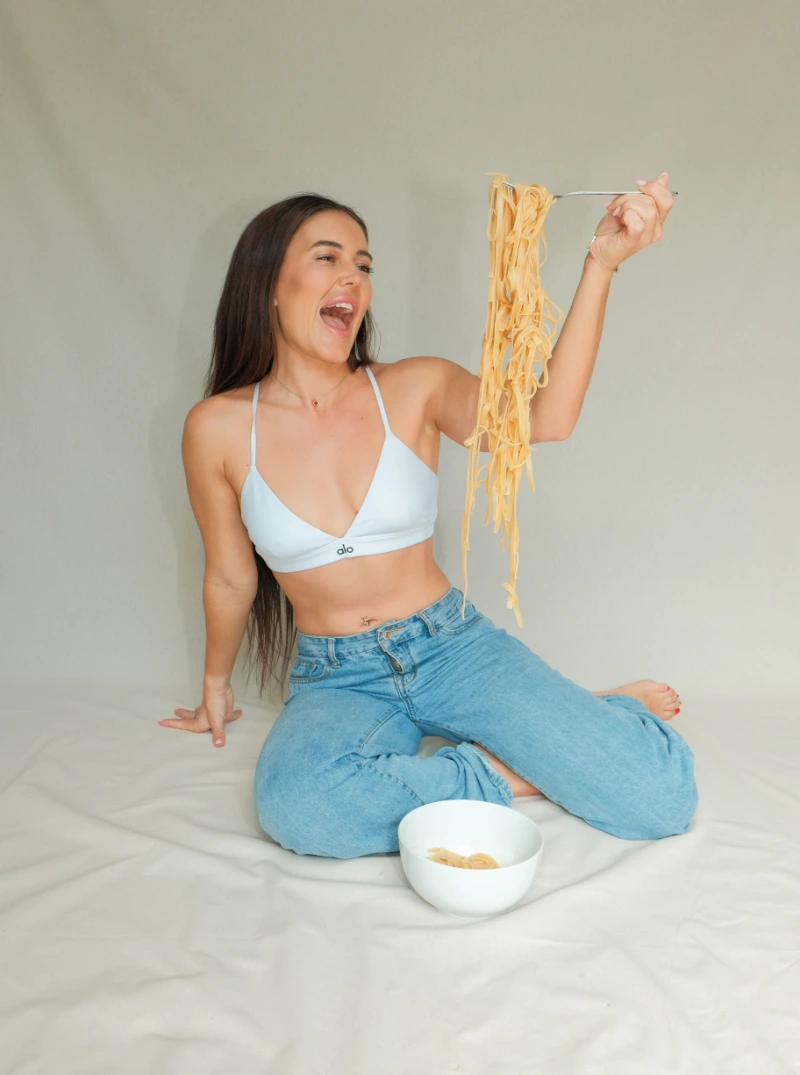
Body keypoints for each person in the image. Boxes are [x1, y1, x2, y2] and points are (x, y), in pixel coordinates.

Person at [158, 175, 697, 857]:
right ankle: (516, 765)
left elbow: (547, 417)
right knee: (299, 806)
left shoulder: (414, 386)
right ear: (267, 281)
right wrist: (214, 684)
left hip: (451, 647)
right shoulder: (217, 427)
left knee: (660, 796)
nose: (352, 278)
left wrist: (602, 263)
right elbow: (231, 578)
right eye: (327, 257)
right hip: (338, 675)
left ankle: (596, 720)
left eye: (363, 265)